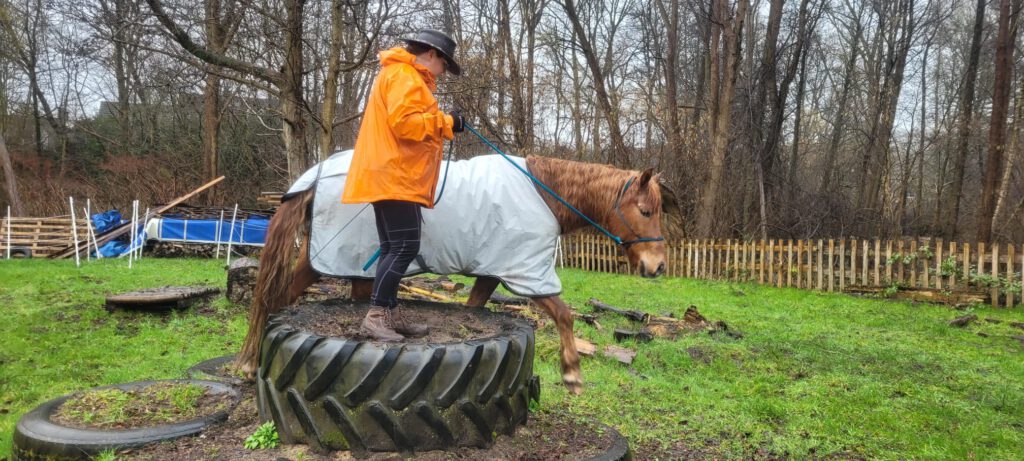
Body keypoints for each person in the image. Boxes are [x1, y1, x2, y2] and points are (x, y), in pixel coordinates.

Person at [341, 29, 465, 341]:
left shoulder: (403, 75)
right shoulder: (404, 75)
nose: (444, 73)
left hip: (393, 174)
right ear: (433, 54)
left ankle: (389, 312)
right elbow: (405, 124)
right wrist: (446, 122)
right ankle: (377, 315)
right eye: (445, 65)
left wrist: (444, 120)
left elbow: (409, 119)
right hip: (395, 175)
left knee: (392, 247)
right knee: (406, 245)